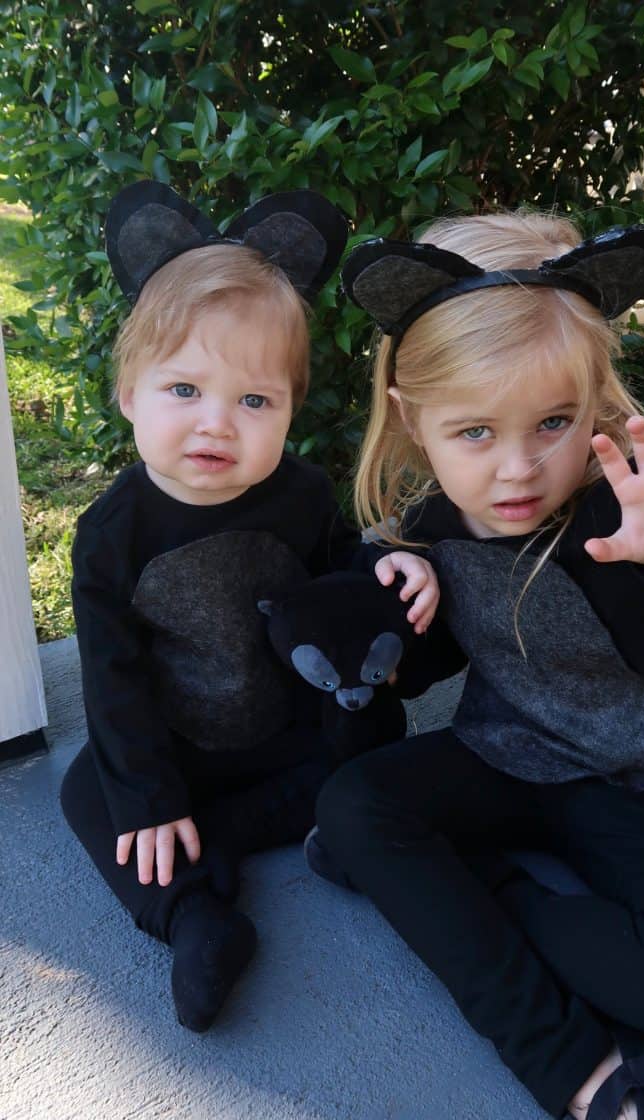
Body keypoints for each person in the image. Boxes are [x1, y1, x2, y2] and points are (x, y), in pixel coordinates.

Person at [311, 210, 644, 1120]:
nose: (517, 471)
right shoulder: (435, 525)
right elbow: (416, 672)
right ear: (417, 424)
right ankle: (575, 1067)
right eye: (476, 434)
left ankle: (480, 889)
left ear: (594, 401)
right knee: (351, 807)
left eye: (552, 422)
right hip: (506, 758)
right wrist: (395, 594)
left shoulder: (642, 505)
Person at [60, 181, 438, 1034]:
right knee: (95, 790)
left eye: (254, 401)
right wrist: (150, 797)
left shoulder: (301, 495)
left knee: (379, 739)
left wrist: (392, 572)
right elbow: (111, 681)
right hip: (184, 744)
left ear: (291, 411)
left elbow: (346, 582)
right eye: (183, 390)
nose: (216, 425)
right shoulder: (111, 533)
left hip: (291, 736)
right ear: (128, 393)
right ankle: (196, 917)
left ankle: (268, 837)